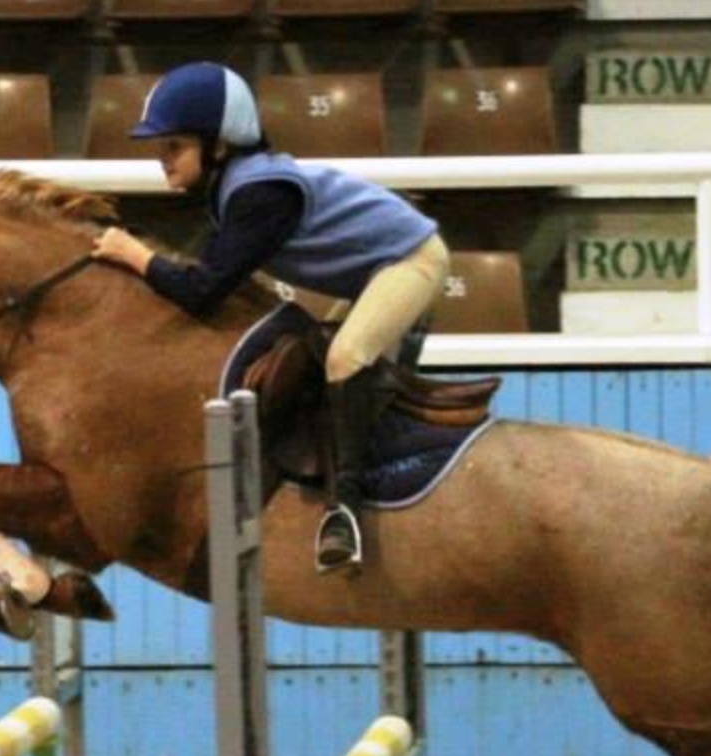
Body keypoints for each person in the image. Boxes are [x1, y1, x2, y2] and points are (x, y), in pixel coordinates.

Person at [91, 61, 449, 573]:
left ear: (218, 145)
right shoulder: (237, 187)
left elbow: (202, 292)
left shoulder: (258, 192)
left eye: (174, 147)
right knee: (325, 361)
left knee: (345, 359)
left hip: (410, 260)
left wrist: (133, 254)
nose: (162, 161)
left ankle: (344, 513)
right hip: (377, 270)